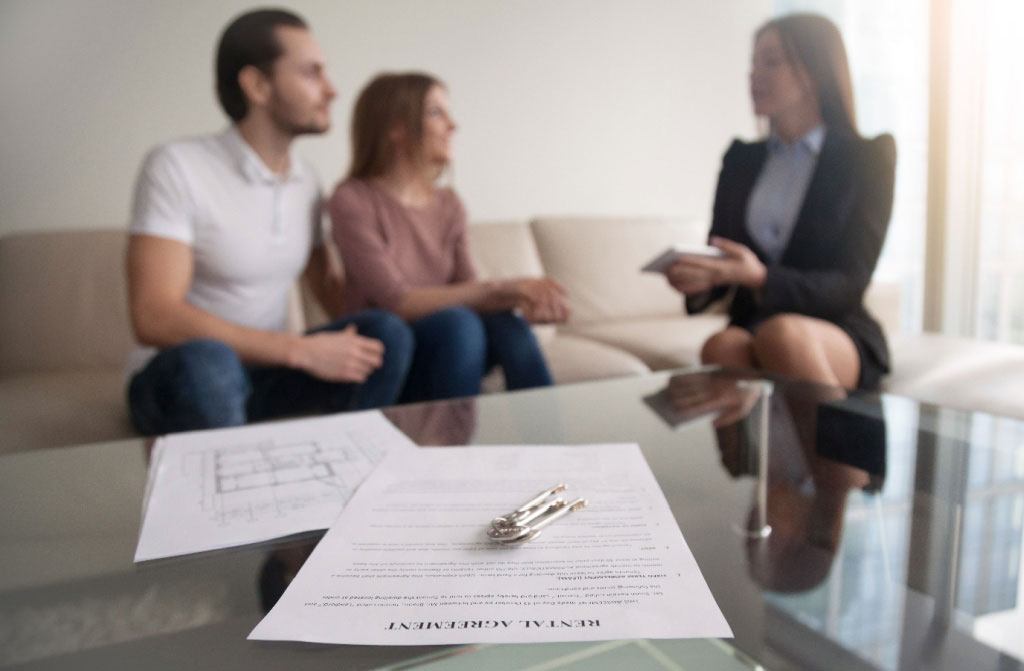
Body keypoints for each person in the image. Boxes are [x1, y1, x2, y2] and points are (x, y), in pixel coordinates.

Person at [125, 9, 413, 436]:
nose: (332, 90)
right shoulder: (176, 167)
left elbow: (330, 292)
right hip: (181, 377)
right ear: (258, 85)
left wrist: (408, 298)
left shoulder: (307, 180)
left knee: (385, 334)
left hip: (264, 375)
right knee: (211, 361)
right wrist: (299, 349)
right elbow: (154, 316)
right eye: (312, 73)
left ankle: (347, 461)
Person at [666, 13, 896, 391]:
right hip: (755, 321)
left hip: (836, 328)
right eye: (753, 63)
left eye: (771, 61)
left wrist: (759, 277)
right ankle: (756, 454)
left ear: (814, 71)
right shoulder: (741, 159)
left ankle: (835, 452)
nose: (754, 75)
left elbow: (850, 283)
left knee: (783, 336)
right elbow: (722, 254)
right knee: (722, 345)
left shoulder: (867, 158)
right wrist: (701, 279)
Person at [328, 72, 570, 402]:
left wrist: (520, 298)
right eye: (436, 112)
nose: (452, 126)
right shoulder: (351, 200)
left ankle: (556, 445)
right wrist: (504, 287)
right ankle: (451, 450)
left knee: (507, 323)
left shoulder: (449, 204)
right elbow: (396, 301)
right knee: (459, 322)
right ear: (395, 127)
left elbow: (469, 287)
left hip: (456, 347)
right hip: (391, 355)